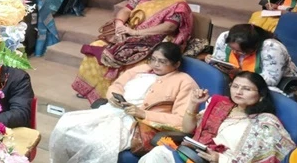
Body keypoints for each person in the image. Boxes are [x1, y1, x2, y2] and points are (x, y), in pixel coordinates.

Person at [51, 42, 199, 162]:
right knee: (65, 126)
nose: (155, 64)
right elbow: (116, 85)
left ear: (176, 65)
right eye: (153, 59)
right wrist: (114, 97)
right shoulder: (143, 68)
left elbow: (181, 120)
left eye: (162, 61)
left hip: (137, 124)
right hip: (112, 111)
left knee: (96, 144)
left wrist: (144, 114)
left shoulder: (184, 82)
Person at [72, 0, 194, 102]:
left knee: (136, 63)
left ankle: (119, 97)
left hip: (154, 41)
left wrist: (135, 33)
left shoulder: (178, 4)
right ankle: (95, 91)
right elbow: (126, 10)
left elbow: (169, 27)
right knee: (97, 46)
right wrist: (119, 25)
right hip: (128, 33)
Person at [138, 71, 296, 163]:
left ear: (261, 96)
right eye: (235, 86)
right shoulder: (221, 105)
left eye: (246, 89)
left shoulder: (266, 122)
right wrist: (193, 104)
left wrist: (219, 159)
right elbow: (187, 129)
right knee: (157, 154)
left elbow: (269, 158)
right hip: (198, 156)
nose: (238, 92)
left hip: (220, 160)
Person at [209, 24, 297, 88]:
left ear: (253, 47)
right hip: (239, 81)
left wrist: (240, 73)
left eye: (240, 51)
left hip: (281, 85)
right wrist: (211, 61)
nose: (234, 52)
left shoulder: (272, 48)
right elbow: (219, 60)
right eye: (232, 48)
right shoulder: (225, 37)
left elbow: (271, 81)